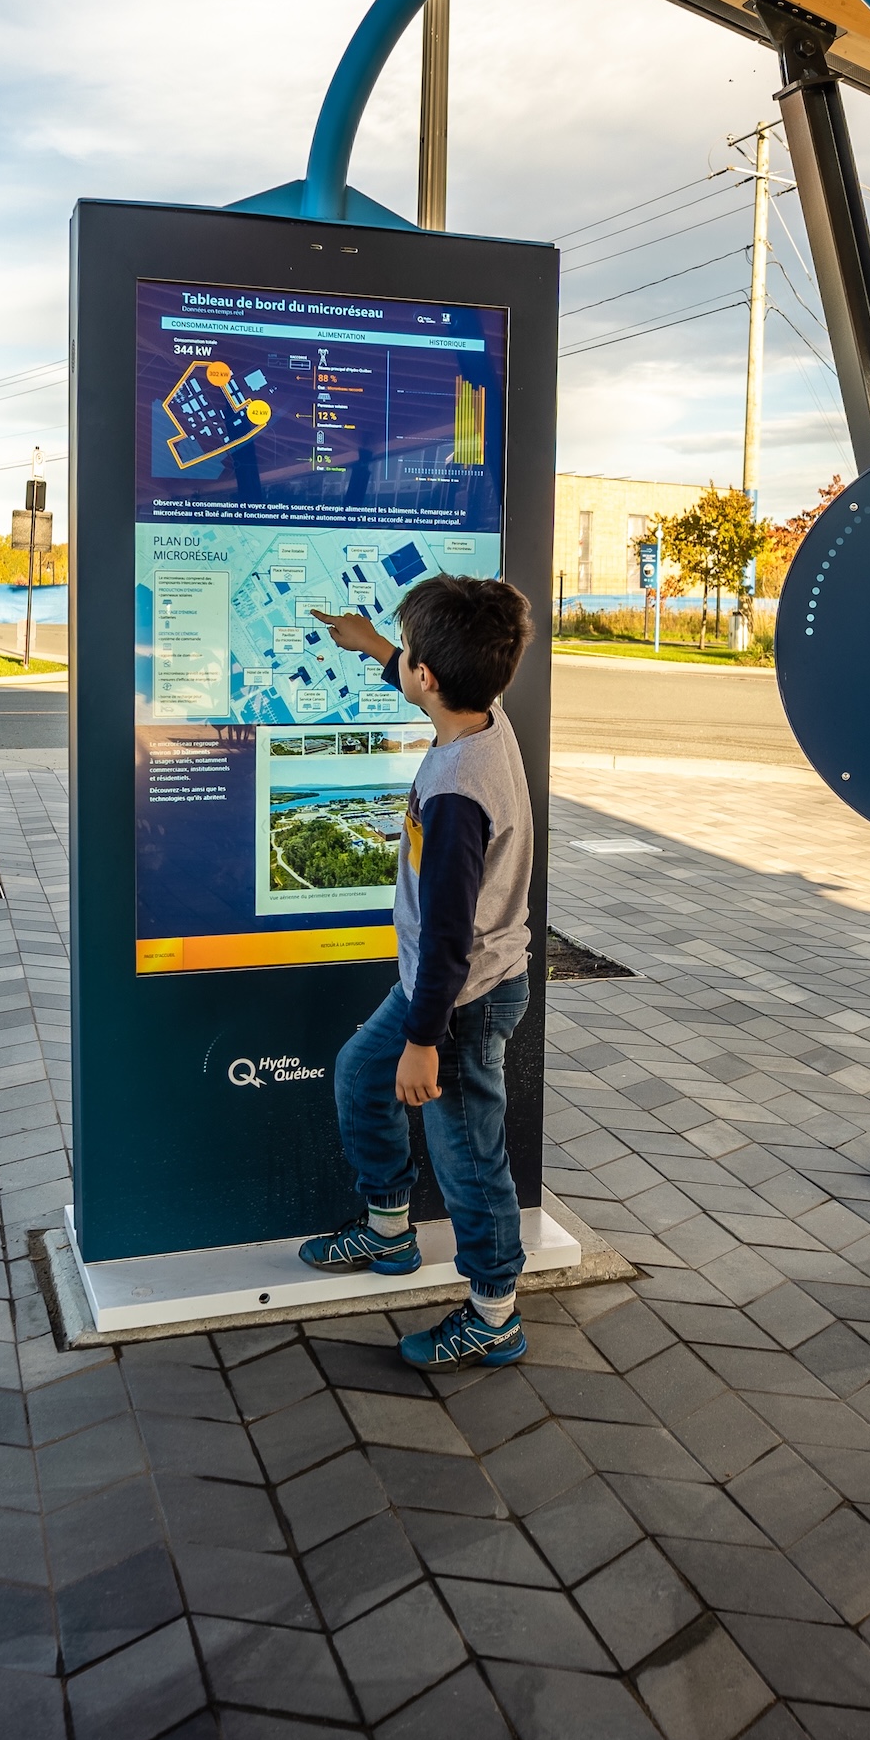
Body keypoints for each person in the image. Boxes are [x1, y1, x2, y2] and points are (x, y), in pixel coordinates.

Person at [298, 575, 534, 1372]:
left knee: (470, 1160)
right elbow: (435, 679)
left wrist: (425, 1041)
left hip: (459, 999)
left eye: (409, 661)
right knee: (361, 1075)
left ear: (427, 679)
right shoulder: (482, 720)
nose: (408, 670)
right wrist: (375, 648)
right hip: (446, 990)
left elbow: (447, 940)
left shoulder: (458, 794)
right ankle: (390, 1233)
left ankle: (494, 1312)